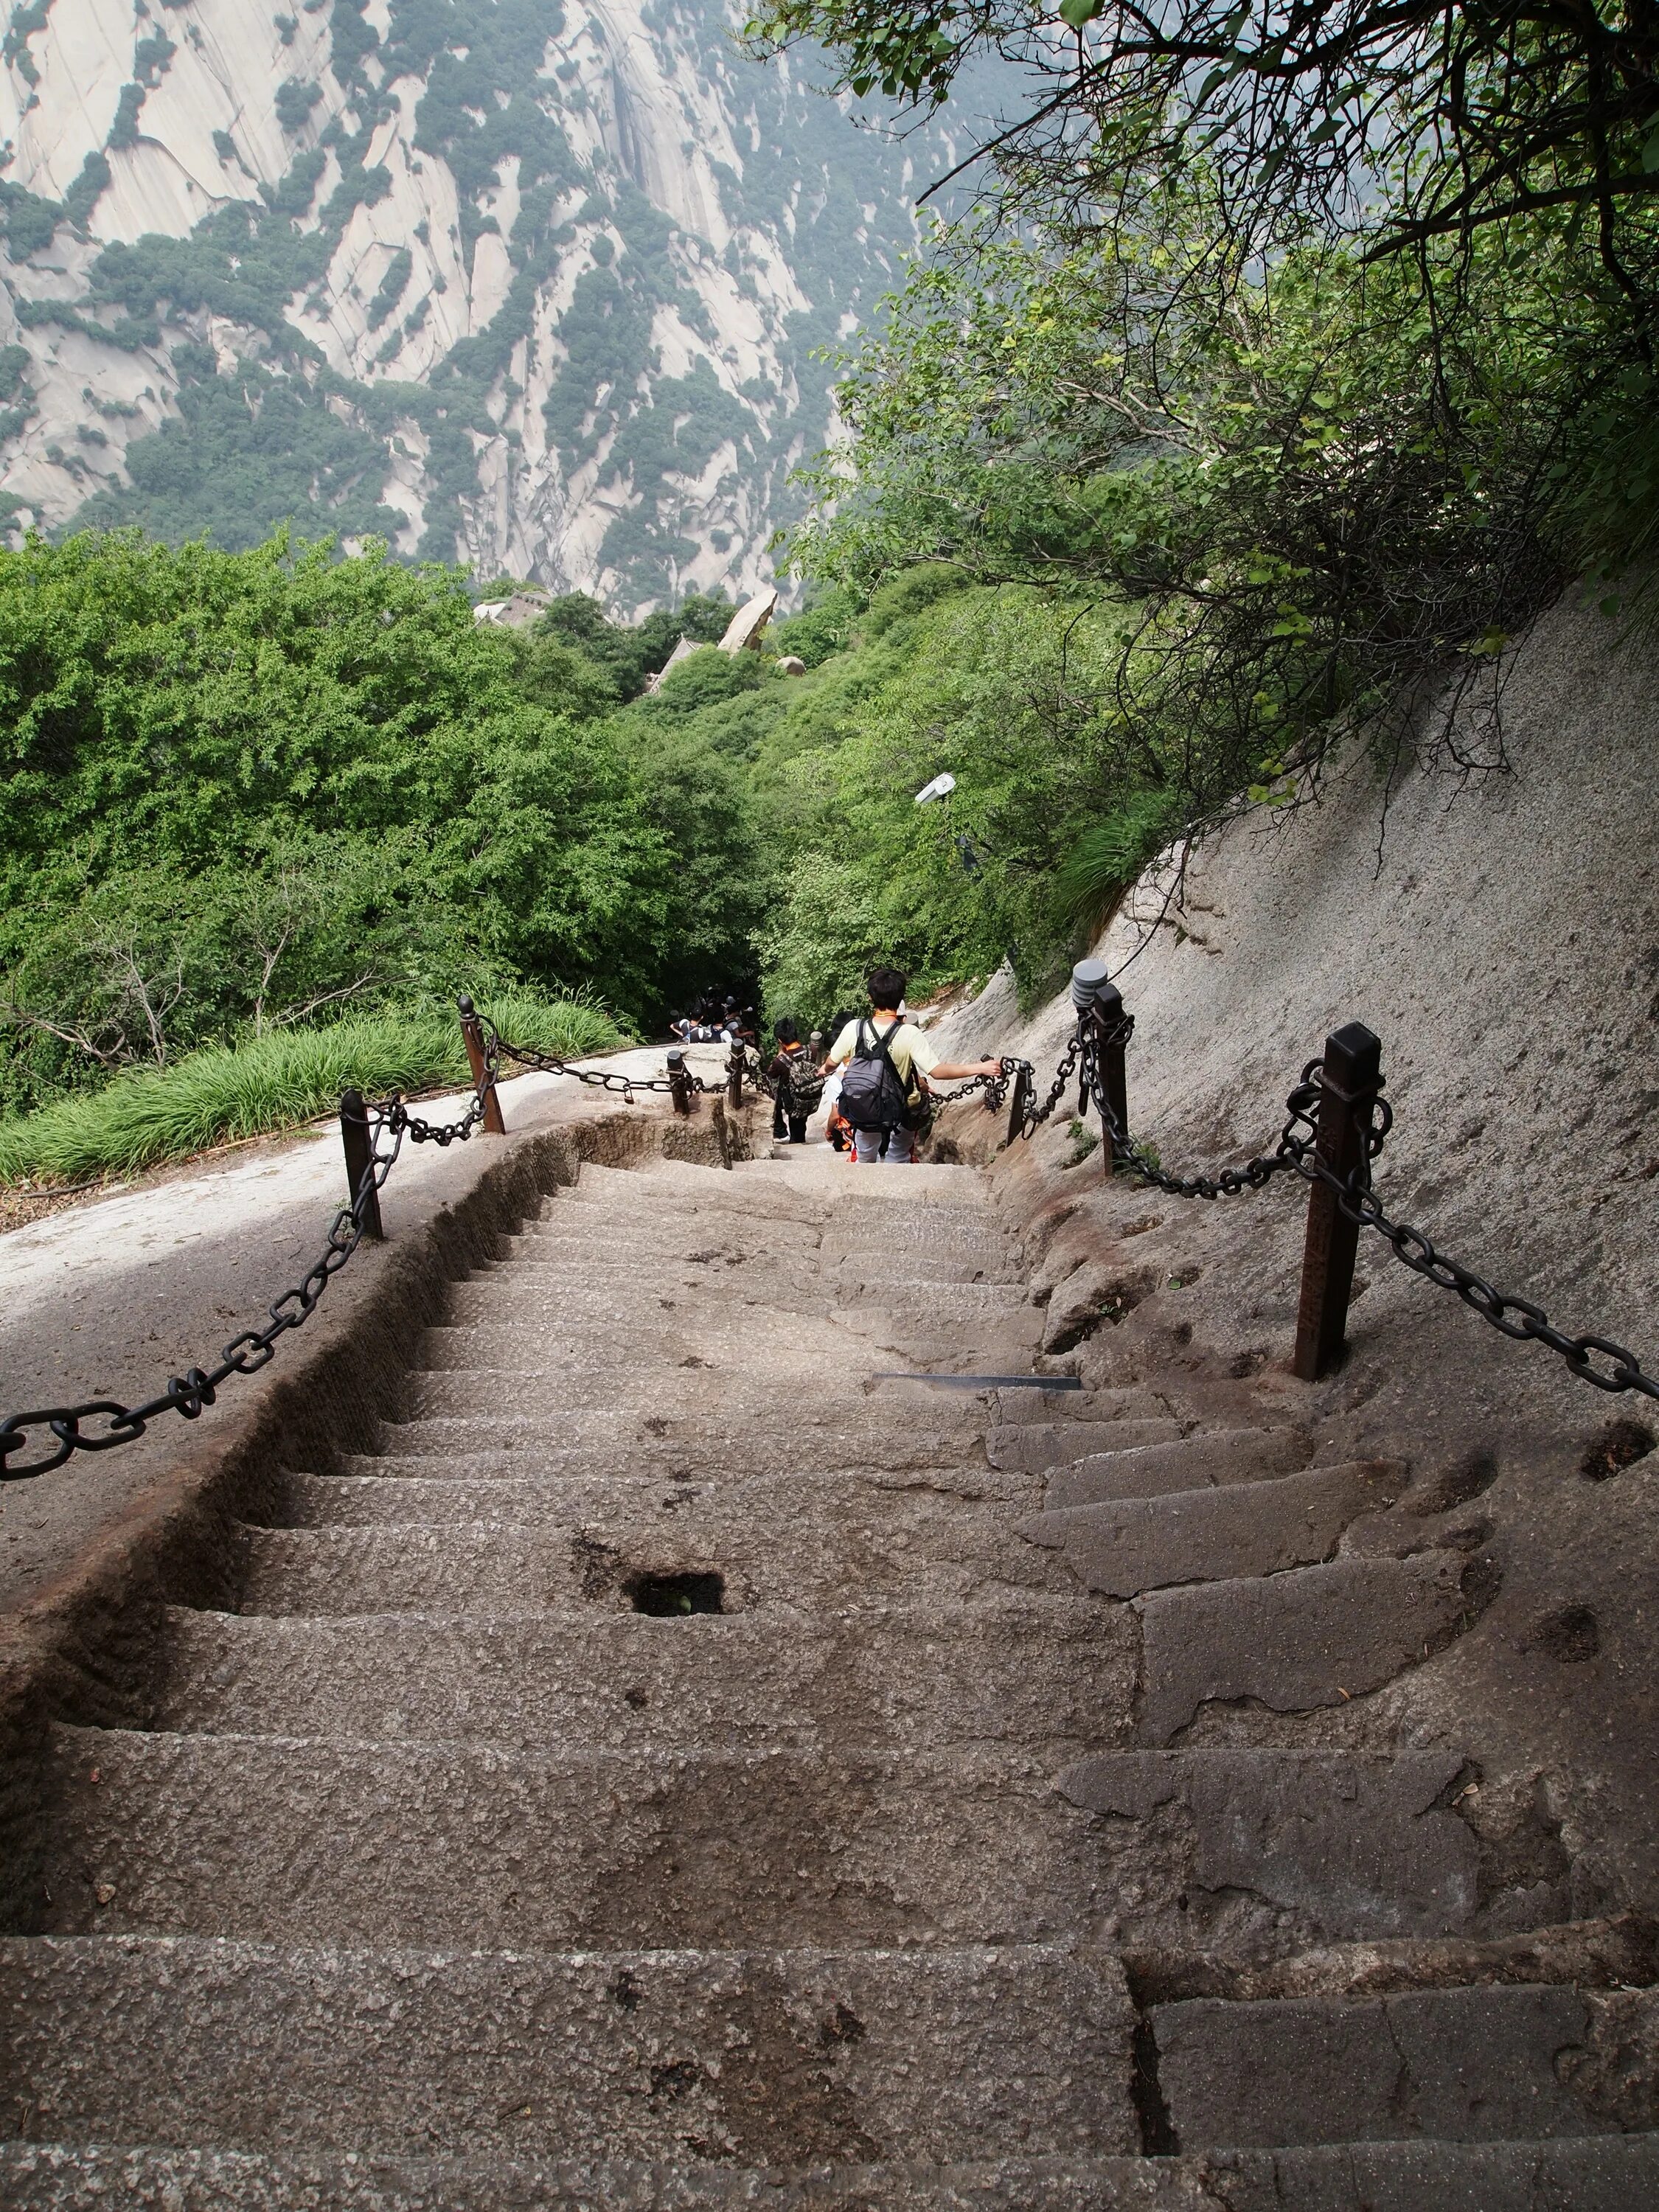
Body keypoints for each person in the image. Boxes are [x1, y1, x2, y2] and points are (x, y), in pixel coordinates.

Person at [821, 966, 1001, 1166]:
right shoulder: (909, 1033)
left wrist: (822, 1071)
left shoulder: (854, 1028)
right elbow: (937, 1071)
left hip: (865, 1104)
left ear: (870, 998)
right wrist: (979, 1068)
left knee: (865, 1156)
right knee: (898, 1154)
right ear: (900, 1000)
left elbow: (831, 1063)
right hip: (902, 1107)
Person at [765, 1015, 822, 1144]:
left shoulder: (780, 1061)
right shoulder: (811, 1050)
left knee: (775, 1095)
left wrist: (780, 1053)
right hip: (810, 1094)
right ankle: (797, 1139)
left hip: (792, 1100)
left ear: (780, 1040)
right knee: (800, 1125)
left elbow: (770, 1075)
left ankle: (782, 1132)